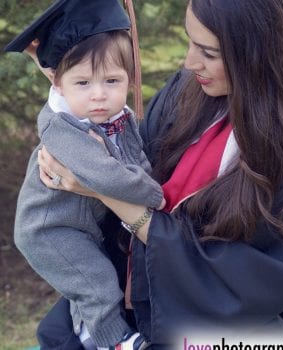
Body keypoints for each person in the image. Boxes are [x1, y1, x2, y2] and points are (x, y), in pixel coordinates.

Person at [26, 0, 283, 348]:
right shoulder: (188, 91)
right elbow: (135, 162)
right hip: (138, 290)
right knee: (62, 335)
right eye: (189, 42)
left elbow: (248, 284)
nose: (189, 62)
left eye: (208, 52)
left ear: (259, 53)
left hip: (223, 325)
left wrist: (107, 194)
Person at [5, 0, 164, 349]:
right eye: (83, 82)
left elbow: (136, 155)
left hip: (80, 224)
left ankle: (88, 331)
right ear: (57, 83)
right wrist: (156, 194)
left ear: (129, 78)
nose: (98, 95)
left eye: (112, 80)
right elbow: (104, 175)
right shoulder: (61, 127)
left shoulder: (114, 115)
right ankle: (115, 340)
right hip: (49, 230)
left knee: (91, 280)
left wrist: (148, 174)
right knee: (96, 283)